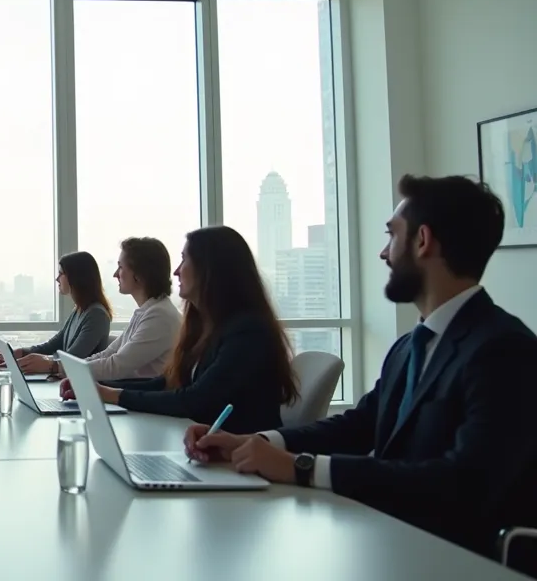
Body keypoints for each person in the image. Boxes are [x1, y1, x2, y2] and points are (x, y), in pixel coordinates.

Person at [185, 175, 537, 567]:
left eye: (392, 235)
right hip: (389, 542)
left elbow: (463, 482)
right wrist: (258, 441)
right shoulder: (410, 345)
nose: (383, 253)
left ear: (423, 241)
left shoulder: (503, 350)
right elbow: (359, 425)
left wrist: (303, 468)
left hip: (451, 561)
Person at [69, 226, 299, 435]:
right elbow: (169, 382)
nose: (177, 272)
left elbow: (195, 399)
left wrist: (112, 394)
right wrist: (98, 388)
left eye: (184, 260)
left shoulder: (248, 332)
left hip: (238, 458)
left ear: (210, 270)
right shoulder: (207, 326)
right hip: (203, 444)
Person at [61, 237, 181, 382]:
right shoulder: (147, 311)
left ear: (139, 274)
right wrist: (69, 368)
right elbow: (108, 354)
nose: (116, 274)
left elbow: (116, 365)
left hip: (139, 400)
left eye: (121, 267)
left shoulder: (160, 316)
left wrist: (65, 370)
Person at [0, 251, 113, 376]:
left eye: (61, 273)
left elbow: (73, 358)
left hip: (84, 389)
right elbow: (52, 346)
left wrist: (46, 362)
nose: (57, 279)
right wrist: (18, 353)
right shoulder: (79, 310)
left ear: (76, 277)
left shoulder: (96, 315)